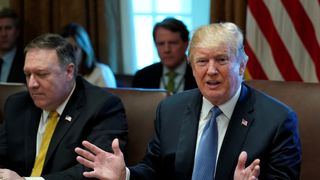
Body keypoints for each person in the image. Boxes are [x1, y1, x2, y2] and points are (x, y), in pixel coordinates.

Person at [75, 22, 302, 179]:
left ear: (241, 65)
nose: (211, 70)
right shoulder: (171, 109)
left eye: (222, 59)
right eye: (202, 61)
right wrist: (125, 175)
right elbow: (154, 170)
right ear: (192, 67)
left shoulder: (277, 120)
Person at [0, 33, 128, 179]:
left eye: (41, 74)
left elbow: (96, 170)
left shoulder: (102, 107)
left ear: (68, 71)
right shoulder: (17, 105)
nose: (32, 84)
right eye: (28, 74)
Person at [132, 17, 197, 94]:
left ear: (186, 44)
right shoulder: (142, 77)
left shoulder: (199, 74)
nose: (166, 50)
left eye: (173, 43)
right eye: (161, 44)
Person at [60, 22, 117, 88]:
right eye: (66, 50)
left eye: (75, 49)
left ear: (84, 50)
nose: (70, 54)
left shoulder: (101, 72)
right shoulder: (61, 75)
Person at [0, 7, 25, 83]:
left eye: (8, 28)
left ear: (17, 32)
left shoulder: (26, 61)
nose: (3, 34)